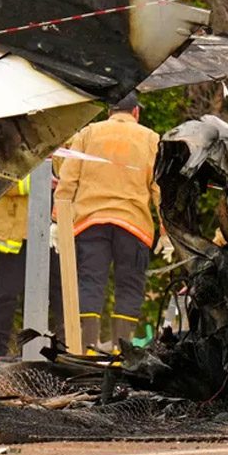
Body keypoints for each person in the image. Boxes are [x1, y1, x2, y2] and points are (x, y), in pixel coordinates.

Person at [54, 91, 167, 352]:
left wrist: (58, 221)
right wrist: (166, 229)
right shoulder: (151, 139)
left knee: (90, 281)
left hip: (90, 222)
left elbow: (68, 180)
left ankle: (86, 346)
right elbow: (159, 188)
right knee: (129, 284)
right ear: (136, 112)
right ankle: (121, 348)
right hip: (134, 225)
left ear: (109, 112)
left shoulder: (88, 133)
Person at [0, 175, 64, 361]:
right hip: (16, 233)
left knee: (60, 294)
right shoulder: (10, 147)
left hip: (52, 232)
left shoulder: (64, 148)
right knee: (7, 293)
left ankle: (64, 351)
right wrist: (38, 181)